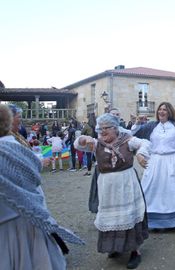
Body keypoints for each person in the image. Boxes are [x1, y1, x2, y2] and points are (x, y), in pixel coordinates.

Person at [0, 104, 84, 269]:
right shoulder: (11, 144)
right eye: (18, 118)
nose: (21, 121)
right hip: (22, 215)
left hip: (20, 215)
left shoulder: (10, 145)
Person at [75, 113, 150, 269]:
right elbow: (78, 144)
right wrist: (84, 139)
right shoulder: (97, 144)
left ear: (115, 128)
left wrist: (141, 155)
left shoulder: (127, 140)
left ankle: (135, 251)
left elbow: (145, 143)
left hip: (126, 183)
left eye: (106, 128)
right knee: (111, 217)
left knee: (128, 214)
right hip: (107, 186)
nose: (102, 132)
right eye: (100, 128)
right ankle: (116, 246)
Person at [133, 102, 175, 230]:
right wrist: (137, 123)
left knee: (174, 191)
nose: (161, 111)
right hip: (155, 161)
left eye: (164, 109)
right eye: (160, 109)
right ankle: (152, 220)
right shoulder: (151, 126)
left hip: (173, 160)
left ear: (170, 111)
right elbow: (134, 137)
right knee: (153, 190)